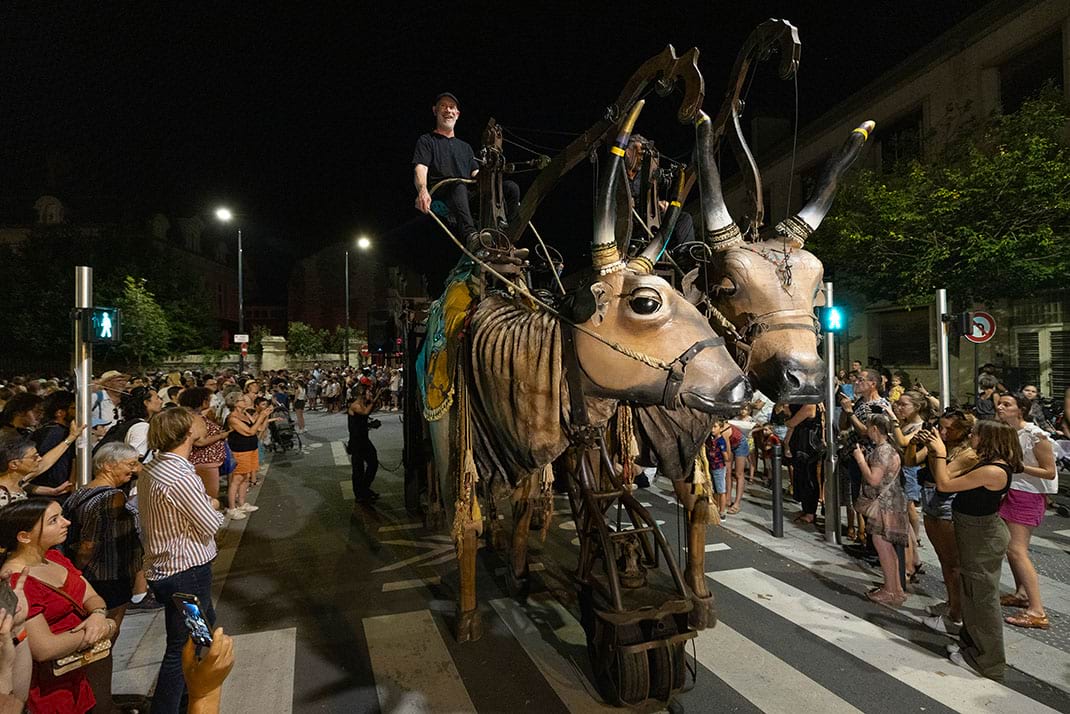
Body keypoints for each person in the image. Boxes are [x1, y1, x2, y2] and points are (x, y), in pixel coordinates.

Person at [920, 420, 1021, 680]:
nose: (971, 436)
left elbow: (943, 484)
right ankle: (972, 647)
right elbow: (944, 475)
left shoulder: (994, 470)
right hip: (973, 532)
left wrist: (940, 451)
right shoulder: (983, 461)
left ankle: (988, 661)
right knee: (971, 592)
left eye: (976, 433)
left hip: (983, 537)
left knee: (982, 599)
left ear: (990, 438)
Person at [140, 407, 225, 714]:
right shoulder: (179, 475)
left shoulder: (154, 467)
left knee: (201, 633)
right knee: (184, 646)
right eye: (197, 419)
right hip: (186, 573)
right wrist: (213, 504)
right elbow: (210, 522)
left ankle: (194, 699)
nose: (203, 419)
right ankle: (173, 706)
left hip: (168, 569)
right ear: (188, 432)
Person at [1, 499, 118, 713]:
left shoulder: (54, 557)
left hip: (75, 675)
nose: (66, 523)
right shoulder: (17, 581)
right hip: (46, 689)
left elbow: (91, 597)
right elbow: (44, 648)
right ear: (24, 536)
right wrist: (104, 628)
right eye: (54, 520)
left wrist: (99, 615)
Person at [63, 442, 144, 711]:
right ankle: (102, 703)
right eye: (130, 465)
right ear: (108, 465)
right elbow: (88, 544)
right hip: (107, 577)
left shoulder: (78, 494)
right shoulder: (111, 497)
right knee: (103, 643)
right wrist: (79, 569)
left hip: (91, 576)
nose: (135, 470)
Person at [413, 92, 519, 238]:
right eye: (443, 106)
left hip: (465, 197)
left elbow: (475, 175)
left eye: (451, 107)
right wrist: (422, 190)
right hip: (444, 195)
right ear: (435, 111)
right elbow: (421, 167)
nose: (448, 110)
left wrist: (491, 172)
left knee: (510, 188)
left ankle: (506, 237)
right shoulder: (427, 140)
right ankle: (472, 237)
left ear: (457, 114)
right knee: (458, 184)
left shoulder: (465, 147)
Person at [909, 408, 977, 635]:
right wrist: (913, 443)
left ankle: (957, 613)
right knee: (943, 560)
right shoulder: (939, 443)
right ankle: (952, 603)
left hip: (948, 502)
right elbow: (910, 461)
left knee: (953, 562)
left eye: (950, 429)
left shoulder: (968, 453)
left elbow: (943, 479)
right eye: (941, 426)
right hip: (929, 499)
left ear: (963, 431)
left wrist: (936, 449)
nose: (943, 432)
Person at [995, 391, 1057, 630]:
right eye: (1000, 403)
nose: (1000, 407)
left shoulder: (1036, 435)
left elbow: (1050, 471)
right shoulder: (1008, 432)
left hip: (1027, 495)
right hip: (1011, 490)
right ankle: (1021, 594)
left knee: (1017, 550)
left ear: (1020, 409)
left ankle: (1037, 610)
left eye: (1006, 404)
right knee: (1010, 550)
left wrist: (1020, 467)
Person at [852, 414, 909, 606]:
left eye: (868, 427)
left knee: (883, 547)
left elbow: (873, 479)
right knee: (889, 548)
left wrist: (860, 459)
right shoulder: (891, 449)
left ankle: (890, 590)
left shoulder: (881, 451)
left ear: (875, 429)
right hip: (893, 502)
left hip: (883, 506)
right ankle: (896, 589)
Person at [839, 369, 892, 542]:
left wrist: (850, 412)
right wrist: (846, 408)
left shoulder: (879, 405)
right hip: (855, 456)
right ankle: (866, 538)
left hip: (871, 458)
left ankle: (875, 542)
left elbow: (867, 433)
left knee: (870, 499)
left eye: (861, 380)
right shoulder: (859, 402)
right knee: (858, 498)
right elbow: (843, 425)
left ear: (873, 384)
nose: (856, 383)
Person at [225, 393, 277, 519]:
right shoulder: (232, 418)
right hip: (240, 450)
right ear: (235, 403)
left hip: (251, 448)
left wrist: (265, 416)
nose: (245, 401)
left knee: (246, 476)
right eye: (242, 400)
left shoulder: (245, 414)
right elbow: (250, 431)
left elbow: (258, 428)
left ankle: (242, 503)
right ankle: (232, 508)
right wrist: (262, 416)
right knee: (237, 479)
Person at [0, 428, 83, 507]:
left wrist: (52, 491)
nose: (39, 459)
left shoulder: (16, 481)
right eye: (34, 457)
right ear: (14, 464)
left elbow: (45, 463)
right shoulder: (3, 495)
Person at [180, 388, 231, 501]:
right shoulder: (196, 419)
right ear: (202, 401)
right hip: (205, 462)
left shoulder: (187, 416)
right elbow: (199, 441)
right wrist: (220, 436)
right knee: (210, 496)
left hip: (202, 462)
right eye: (208, 399)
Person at [28, 391, 79, 501]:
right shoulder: (55, 433)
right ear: (60, 413)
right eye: (73, 408)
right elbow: (44, 464)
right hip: (52, 496)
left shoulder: (63, 431)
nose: (78, 412)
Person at [785, 403, 822, 524]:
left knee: (808, 477)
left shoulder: (810, 402)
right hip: (800, 441)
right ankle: (806, 509)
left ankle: (810, 512)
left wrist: (790, 420)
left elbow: (793, 422)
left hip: (807, 444)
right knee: (801, 476)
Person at [347, 384, 380, 505]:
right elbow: (365, 413)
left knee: (373, 463)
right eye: (367, 392)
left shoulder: (362, 404)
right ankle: (360, 494)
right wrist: (376, 398)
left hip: (363, 440)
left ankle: (364, 488)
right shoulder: (355, 405)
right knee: (358, 469)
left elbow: (361, 422)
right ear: (361, 394)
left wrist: (371, 425)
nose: (369, 394)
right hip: (357, 442)